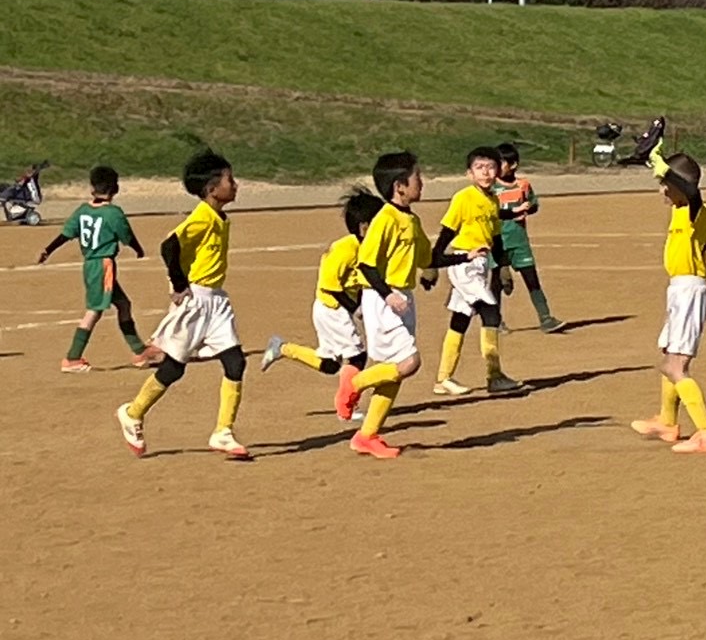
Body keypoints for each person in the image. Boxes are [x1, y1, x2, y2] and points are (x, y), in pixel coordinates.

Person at [337, 151, 480, 459]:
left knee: (395, 371)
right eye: (417, 177)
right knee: (409, 363)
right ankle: (354, 384)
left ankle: (367, 436)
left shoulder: (411, 220)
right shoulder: (385, 219)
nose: (422, 182)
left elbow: (427, 260)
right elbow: (366, 264)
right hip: (383, 298)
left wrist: (464, 257)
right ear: (399, 186)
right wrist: (387, 294)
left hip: (403, 298)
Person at [115, 150, 250, 460]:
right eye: (230, 180)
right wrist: (178, 285)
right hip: (196, 302)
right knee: (174, 368)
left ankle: (223, 432)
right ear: (212, 189)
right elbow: (169, 246)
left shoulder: (219, 217)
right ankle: (133, 413)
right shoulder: (202, 216)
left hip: (217, 301)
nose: (235, 185)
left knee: (235, 362)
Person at [630, 134, 706, 455]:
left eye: (665, 184)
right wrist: (650, 158)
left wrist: (660, 164)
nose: (662, 190)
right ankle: (667, 422)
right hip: (678, 289)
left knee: (675, 367)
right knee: (668, 355)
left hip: (690, 289)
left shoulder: (697, 210)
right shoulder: (680, 209)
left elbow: (690, 190)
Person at [259, 188, 381, 405]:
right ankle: (346, 405)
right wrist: (355, 309)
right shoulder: (345, 249)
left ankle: (282, 348)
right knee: (357, 356)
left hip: (336, 309)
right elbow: (330, 285)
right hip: (332, 309)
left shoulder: (368, 247)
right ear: (364, 227)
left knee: (330, 365)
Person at [37, 164, 161, 372]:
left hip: (90, 266)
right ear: (114, 188)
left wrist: (48, 250)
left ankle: (140, 351)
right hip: (103, 265)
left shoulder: (82, 211)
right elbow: (127, 236)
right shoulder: (113, 213)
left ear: (92, 187)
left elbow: (66, 234)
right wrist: (138, 249)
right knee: (94, 311)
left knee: (123, 304)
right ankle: (72, 358)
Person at [432, 146, 522, 397]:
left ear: (498, 170)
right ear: (469, 173)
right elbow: (447, 231)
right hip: (464, 263)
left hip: (480, 265)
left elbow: (497, 239)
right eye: (479, 168)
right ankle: (495, 375)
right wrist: (433, 264)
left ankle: (443, 379)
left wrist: (503, 267)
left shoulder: (493, 200)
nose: (486, 172)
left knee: (460, 319)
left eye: (491, 167)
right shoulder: (463, 197)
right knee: (490, 312)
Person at [494, 142, 563, 332]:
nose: (496, 167)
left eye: (501, 163)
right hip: (497, 242)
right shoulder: (491, 187)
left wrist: (527, 209)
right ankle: (495, 321)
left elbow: (533, 204)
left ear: (513, 165)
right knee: (497, 283)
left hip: (519, 241)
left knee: (532, 280)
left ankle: (546, 318)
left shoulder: (523, 185)